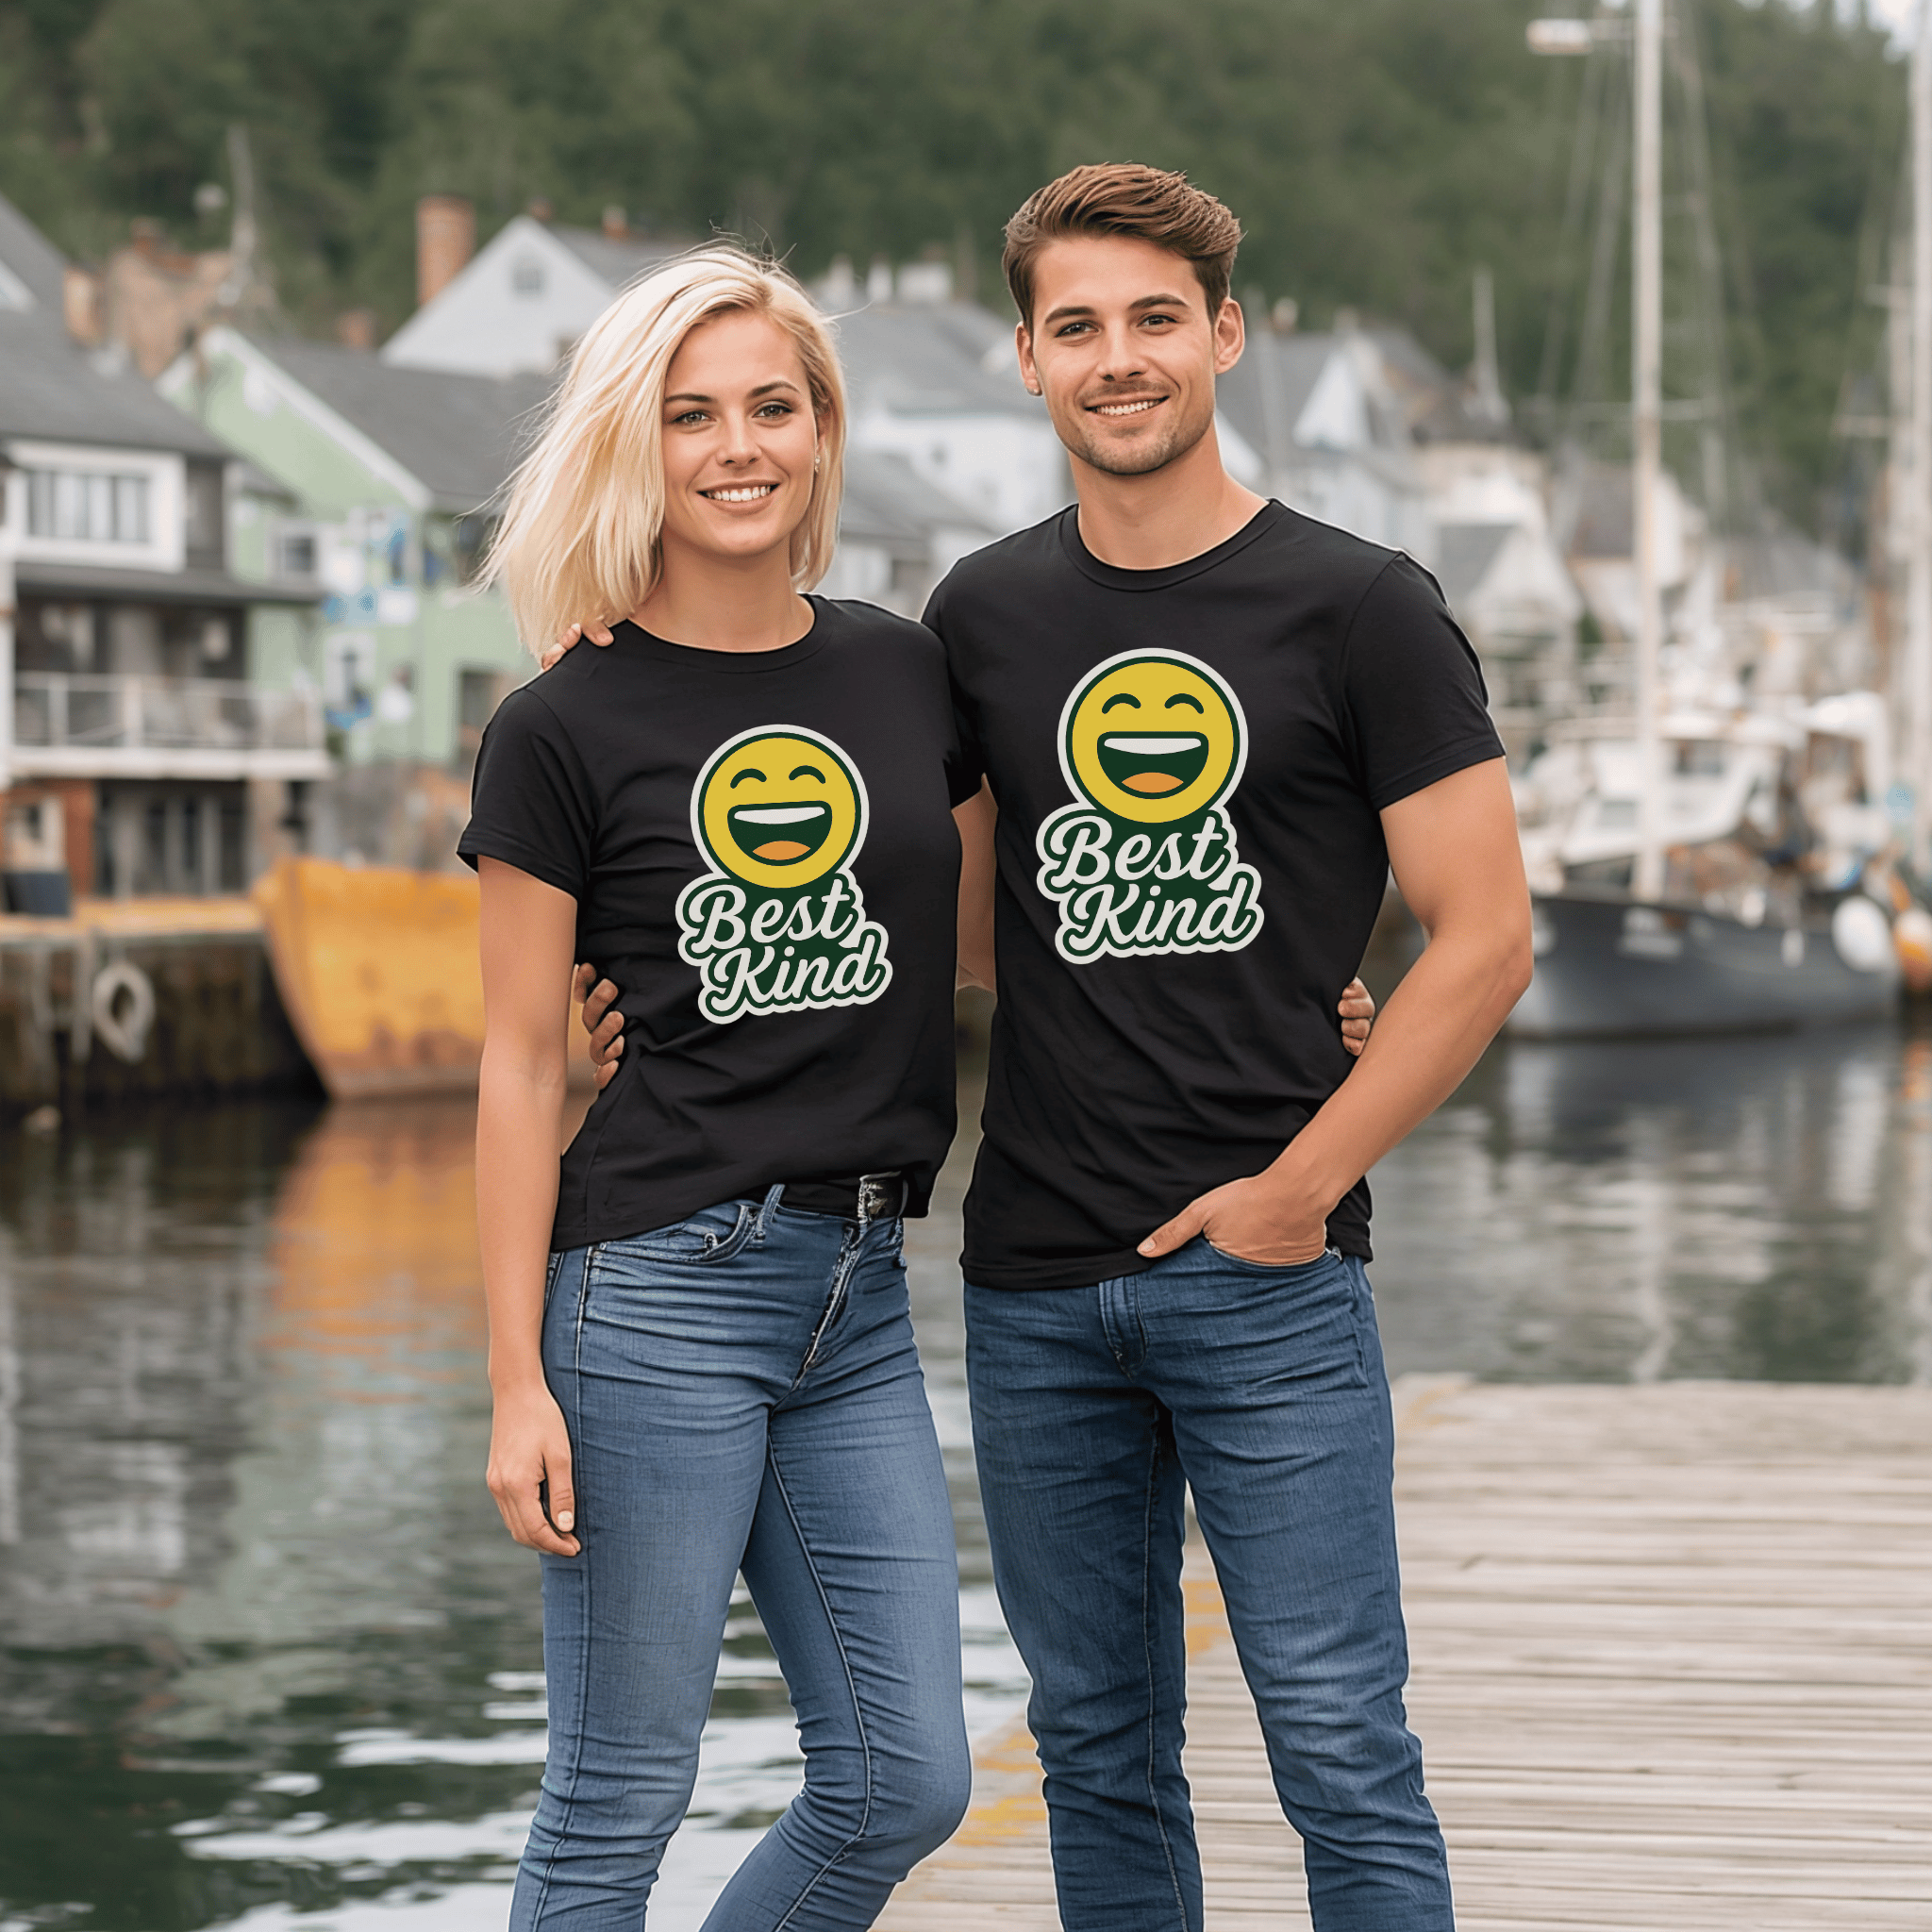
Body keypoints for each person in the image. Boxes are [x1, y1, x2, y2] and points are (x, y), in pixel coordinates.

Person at [556, 164, 1497, 1932]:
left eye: (1156, 319)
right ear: (1027, 359)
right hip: (1036, 1281)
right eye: (1079, 326)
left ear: (1226, 333)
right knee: (1097, 1752)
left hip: (1272, 1272)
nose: (1118, 358)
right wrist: (625, 992)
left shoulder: (1363, 604)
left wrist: (1303, 1179)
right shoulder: (977, 622)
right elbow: (956, 922)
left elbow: (1490, 937)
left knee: (1341, 1751)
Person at [460, 245, 981, 1932]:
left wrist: (1300, 997)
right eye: (691, 415)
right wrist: (513, 1384)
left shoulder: (906, 673)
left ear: (824, 432)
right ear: (639, 444)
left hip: (861, 1288)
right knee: (619, 1795)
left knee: (908, 1778)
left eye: (773, 405)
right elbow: (521, 1062)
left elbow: (988, 944)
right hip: (653, 1296)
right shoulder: (561, 722)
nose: (736, 445)